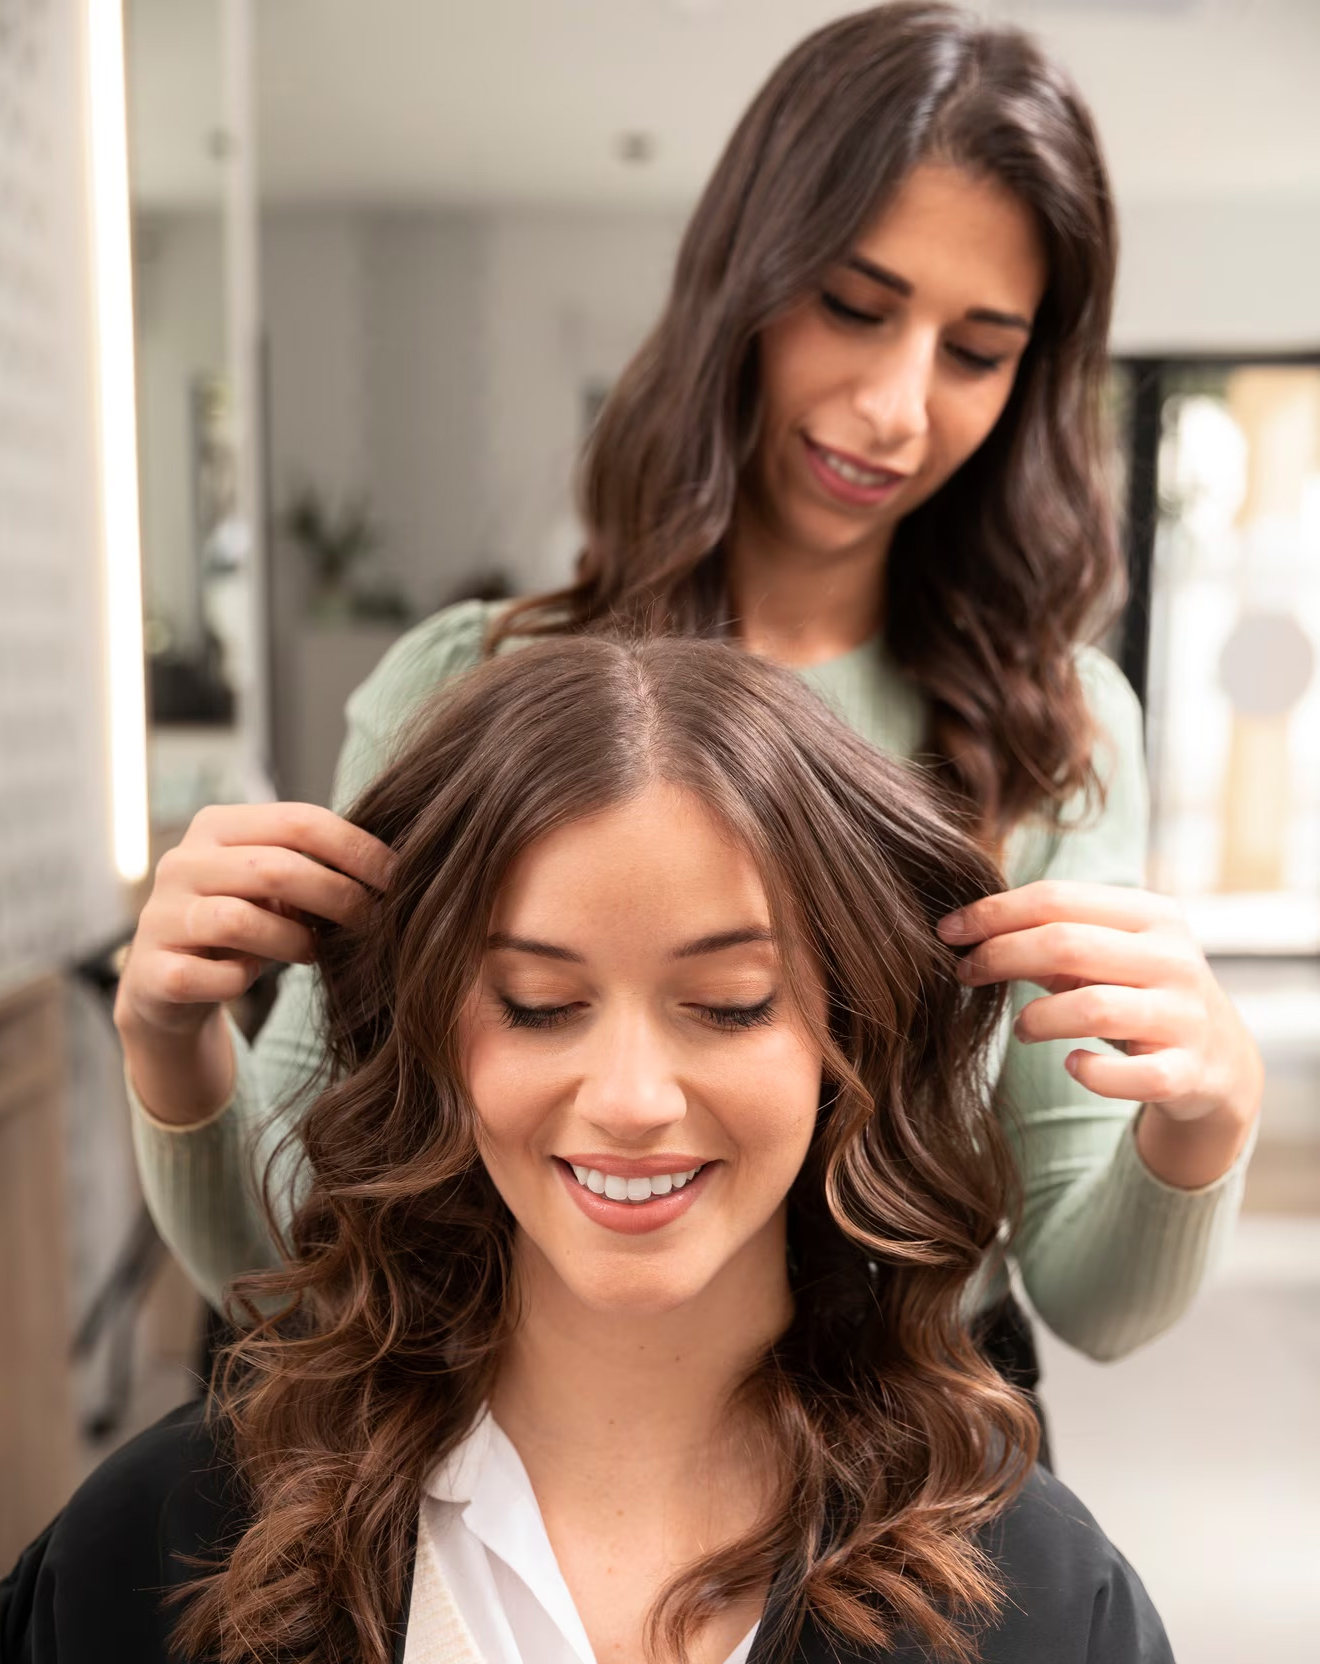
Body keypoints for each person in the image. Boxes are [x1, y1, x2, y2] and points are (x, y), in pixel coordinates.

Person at [0, 637, 1265, 1664]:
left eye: (726, 1005)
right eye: (539, 1005)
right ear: (432, 1031)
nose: (631, 1096)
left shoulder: (1050, 1638)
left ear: (846, 1031)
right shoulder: (161, 1567)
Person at [113, 3, 1262, 1397]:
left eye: (975, 350)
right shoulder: (468, 683)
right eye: (852, 306)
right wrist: (170, 1042)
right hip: (533, 1458)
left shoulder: (1055, 727)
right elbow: (294, 1244)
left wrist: (1204, 1117)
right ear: (743, 283)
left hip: (906, 1475)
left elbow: (1091, 1296)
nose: (896, 406)